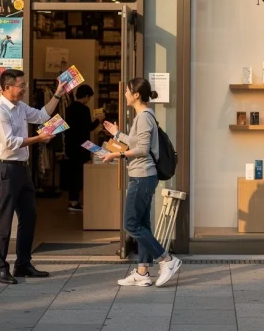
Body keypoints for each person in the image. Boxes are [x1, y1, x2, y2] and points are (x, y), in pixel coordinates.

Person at [100, 78, 181, 288]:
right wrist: (117, 134)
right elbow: (139, 142)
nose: (125, 94)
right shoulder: (145, 116)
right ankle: (143, 272)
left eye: (127, 91)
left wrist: (116, 156)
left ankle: (166, 259)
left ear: (136, 95)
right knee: (143, 224)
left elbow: (143, 149)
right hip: (144, 175)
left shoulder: (144, 117)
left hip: (142, 176)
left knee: (131, 224)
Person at [0, 69, 65, 284]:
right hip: (6, 168)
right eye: (21, 85)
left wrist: (58, 93)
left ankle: (23, 264)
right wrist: (39, 138)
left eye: (24, 85)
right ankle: (0, 268)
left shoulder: (20, 107)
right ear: (7, 87)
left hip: (22, 168)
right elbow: (10, 142)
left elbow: (41, 115)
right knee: (4, 221)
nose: (24, 89)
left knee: (29, 217)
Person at [64, 85, 105, 211]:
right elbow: (88, 127)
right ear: (86, 96)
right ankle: (75, 202)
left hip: (71, 145)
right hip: (82, 146)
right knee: (79, 175)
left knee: (73, 174)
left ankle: (73, 200)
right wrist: (98, 120)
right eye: (89, 97)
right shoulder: (84, 109)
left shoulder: (69, 108)